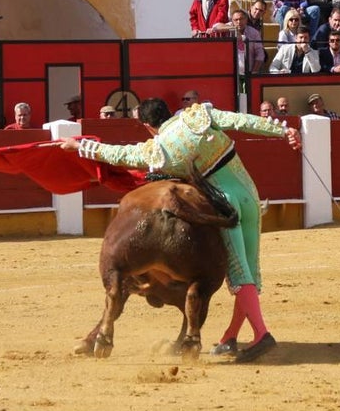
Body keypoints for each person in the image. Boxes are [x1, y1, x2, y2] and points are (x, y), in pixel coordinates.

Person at [63, 96, 300, 363]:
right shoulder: (197, 116)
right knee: (250, 271)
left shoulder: (158, 149)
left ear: (148, 126)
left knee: (239, 274)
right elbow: (243, 121)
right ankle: (229, 337)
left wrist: (80, 146)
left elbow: (118, 155)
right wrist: (284, 130)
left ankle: (261, 334)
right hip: (248, 193)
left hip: (224, 203)